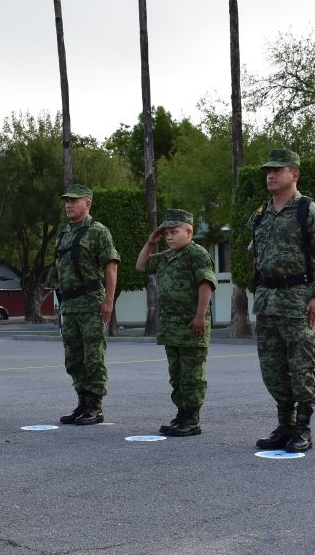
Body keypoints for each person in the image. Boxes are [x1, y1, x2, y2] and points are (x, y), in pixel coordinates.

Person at [249, 149, 315, 453]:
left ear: (294, 174)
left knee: (303, 368)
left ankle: (303, 429)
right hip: (267, 302)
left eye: (278, 170)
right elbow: (257, 258)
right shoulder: (260, 214)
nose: (270, 175)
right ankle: (284, 426)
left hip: (298, 301)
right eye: (268, 171)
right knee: (273, 370)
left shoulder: (307, 210)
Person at [134, 209, 216, 436]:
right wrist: (151, 243)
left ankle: (191, 419)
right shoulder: (167, 256)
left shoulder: (196, 253)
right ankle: (181, 414)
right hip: (171, 327)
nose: (169, 237)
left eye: (174, 232)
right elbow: (141, 265)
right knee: (177, 374)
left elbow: (205, 285)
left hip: (192, 326)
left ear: (189, 232)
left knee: (192, 375)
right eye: (167, 233)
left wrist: (200, 315)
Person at [53, 184, 119, 425]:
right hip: (69, 305)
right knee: (74, 357)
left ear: (87, 203)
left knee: (93, 357)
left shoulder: (98, 231)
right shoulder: (64, 233)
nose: (68, 204)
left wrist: (108, 302)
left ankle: (95, 406)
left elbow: (111, 267)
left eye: (74, 200)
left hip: (91, 302)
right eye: (66, 200)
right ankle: (82, 402)